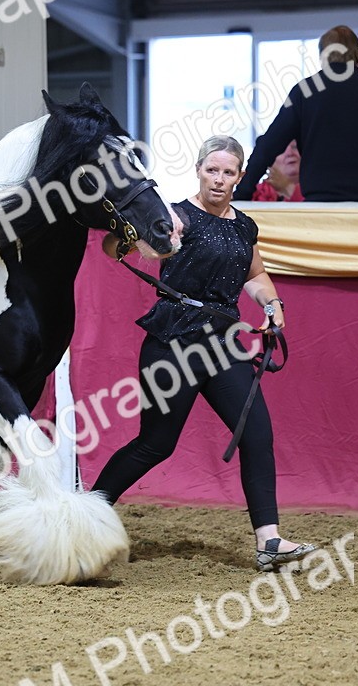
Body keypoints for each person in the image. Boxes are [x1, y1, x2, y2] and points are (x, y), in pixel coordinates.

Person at [94, 135, 315, 572]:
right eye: (212, 170)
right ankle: (88, 511)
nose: (219, 179)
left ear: (240, 176)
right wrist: (142, 238)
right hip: (172, 343)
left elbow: (256, 276)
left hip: (220, 348)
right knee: (155, 445)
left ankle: (268, 541)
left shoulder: (243, 226)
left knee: (257, 434)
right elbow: (111, 248)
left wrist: (272, 306)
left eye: (228, 172)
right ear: (198, 170)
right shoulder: (175, 216)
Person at [234, 25, 358, 202]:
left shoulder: (304, 92)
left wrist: (243, 191)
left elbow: (269, 145)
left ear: (323, 56)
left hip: (321, 202)